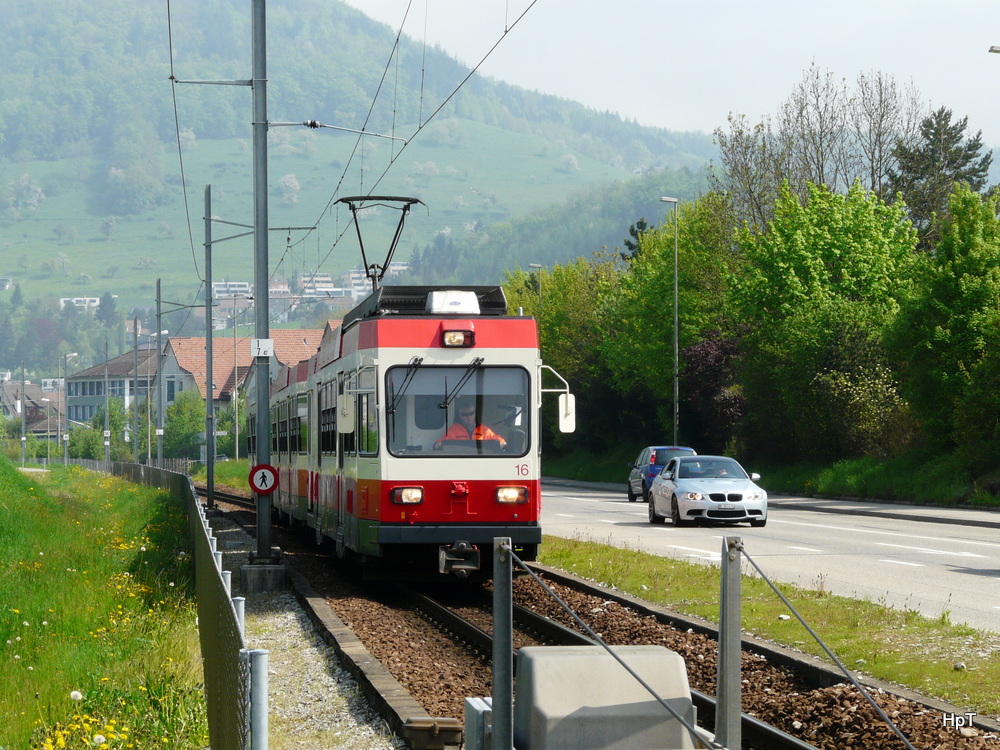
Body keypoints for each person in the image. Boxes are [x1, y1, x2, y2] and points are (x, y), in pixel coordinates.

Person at [434, 398, 507, 449]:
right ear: (460, 416)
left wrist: (503, 445)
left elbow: (501, 442)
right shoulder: (453, 430)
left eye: (471, 413)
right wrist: (438, 445)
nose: (469, 417)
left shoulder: (484, 430)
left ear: (475, 414)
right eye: (465, 415)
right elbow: (439, 444)